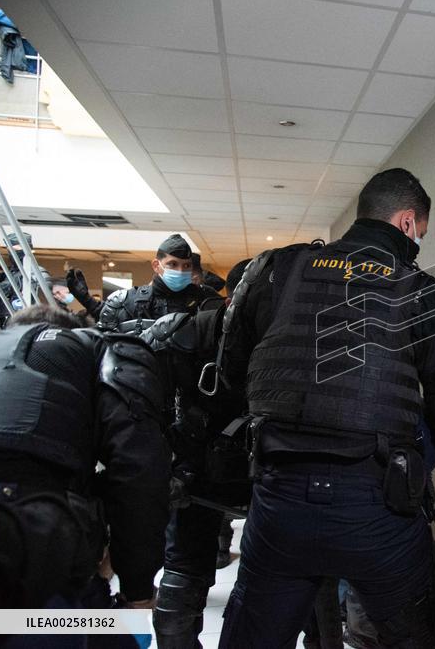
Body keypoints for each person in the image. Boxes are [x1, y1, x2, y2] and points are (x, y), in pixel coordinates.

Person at [217, 168, 435, 648]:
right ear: (407, 223)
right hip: (378, 511)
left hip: (280, 501)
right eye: (421, 234)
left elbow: (228, 379)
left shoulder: (273, 271)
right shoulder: (433, 298)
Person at [0, 304, 170, 611]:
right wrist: (137, 591)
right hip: (32, 521)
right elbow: (138, 470)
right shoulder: (89, 346)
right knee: (91, 632)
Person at [141, 259, 250, 649]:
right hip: (210, 471)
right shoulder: (284, 334)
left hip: (201, 471)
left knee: (187, 567)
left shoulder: (192, 326)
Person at [97, 234, 221, 333]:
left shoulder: (206, 298)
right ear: (156, 265)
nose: (180, 270)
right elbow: (104, 346)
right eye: (173, 264)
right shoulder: (127, 301)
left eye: (186, 265)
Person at [0, 232, 50, 328]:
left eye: (18, 248)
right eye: (10, 249)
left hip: (24, 324)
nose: (14, 252)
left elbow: (40, 297)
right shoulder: (7, 274)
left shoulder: (36, 273)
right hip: (3, 324)